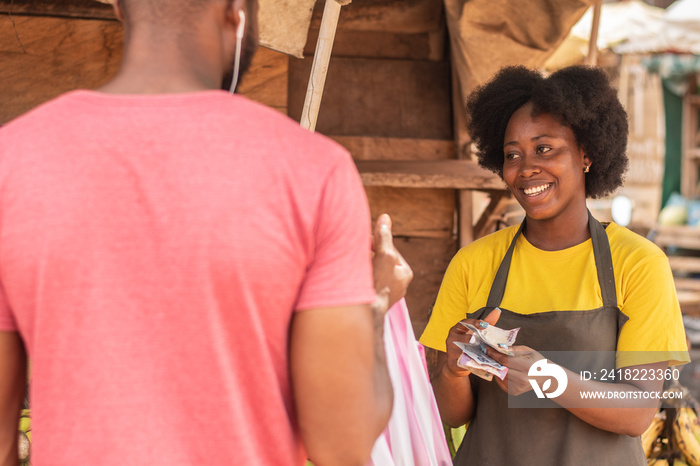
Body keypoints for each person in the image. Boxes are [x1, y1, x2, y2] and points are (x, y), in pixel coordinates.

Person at [0, 0, 413, 464]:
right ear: (238, 10)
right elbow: (341, 442)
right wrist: (376, 305)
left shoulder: (12, 161)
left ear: (118, 6)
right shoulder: (314, 171)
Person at [419, 65, 690, 465]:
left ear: (586, 154)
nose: (526, 168)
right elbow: (450, 414)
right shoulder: (474, 264)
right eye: (513, 155)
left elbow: (638, 411)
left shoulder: (637, 263)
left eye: (544, 149)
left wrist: (548, 377)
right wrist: (454, 373)